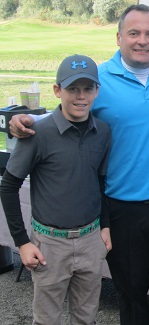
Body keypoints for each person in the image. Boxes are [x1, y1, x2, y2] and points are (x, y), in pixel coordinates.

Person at [9, 4, 149, 325]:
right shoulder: (101, 79)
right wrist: (24, 120)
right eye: (134, 33)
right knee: (133, 296)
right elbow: (70, 109)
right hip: (121, 209)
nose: (142, 40)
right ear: (118, 37)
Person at [0, 54, 111, 324]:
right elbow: (8, 185)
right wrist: (22, 243)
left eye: (88, 88)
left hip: (89, 239)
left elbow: (101, 182)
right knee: (47, 319)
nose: (80, 96)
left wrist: (105, 226)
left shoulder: (103, 131)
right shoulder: (37, 133)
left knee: (86, 316)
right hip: (49, 244)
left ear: (97, 91)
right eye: (73, 88)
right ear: (57, 90)